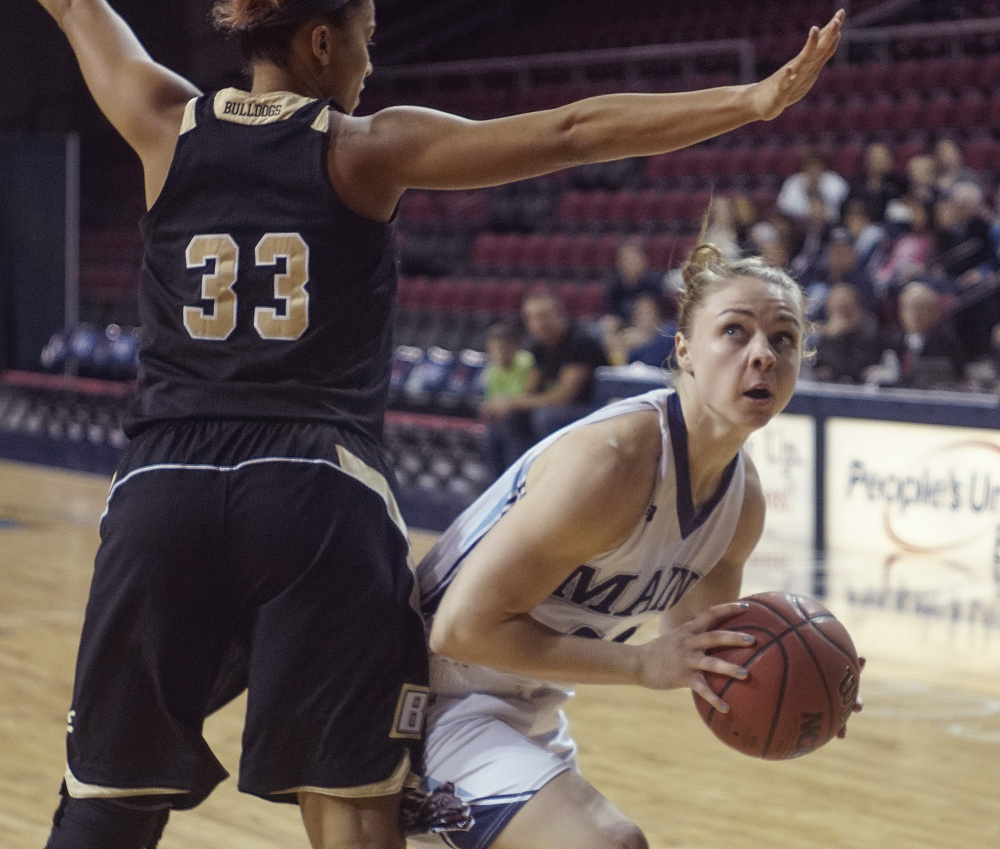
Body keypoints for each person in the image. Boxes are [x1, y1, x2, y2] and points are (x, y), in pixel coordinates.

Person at [34, 1, 846, 846]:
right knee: (350, 803)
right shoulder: (363, 146)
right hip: (318, 488)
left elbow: (78, 7)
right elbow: (572, 131)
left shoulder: (162, 119)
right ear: (322, 41)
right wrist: (749, 102)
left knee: (109, 796)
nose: (368, 66)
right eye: (364, 42)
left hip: (166, 486)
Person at [413, 240, 864, 849]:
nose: (762, 355)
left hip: (525, 706)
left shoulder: (740, 506)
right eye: (734, 332)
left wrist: (818, 689)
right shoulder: (614, 461)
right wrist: (640, 664)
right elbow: (458, 631)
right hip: (420, 698)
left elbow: (705, 661)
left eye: (783, 339)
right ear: (684, 351)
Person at [481, 289, 609, 479]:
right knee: (508, 419)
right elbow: (529, 392)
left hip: (593, 409)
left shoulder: (580, 341)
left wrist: (512, 402)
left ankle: (552, 479)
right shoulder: (538, 347)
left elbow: (564, 397)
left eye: (543, 316)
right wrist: (506, 405)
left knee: (545, 417)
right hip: (557, 409)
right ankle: (507, 484)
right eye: (531, 318)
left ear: (558, 314)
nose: (538, 323)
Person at [810, 282, 884, 383]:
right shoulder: (824, 337)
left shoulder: (869, 332)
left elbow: (851, 369)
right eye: (838, 309)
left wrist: (837, 337)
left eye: (846, 308)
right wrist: (831, 336)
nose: (843, 314)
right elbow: (820, 369)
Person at [481, 320, 535, 404]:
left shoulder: (526, 362)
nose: (498, 355)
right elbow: (492, 400)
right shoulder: (491, 372)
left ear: (515, 348)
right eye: (493, 351)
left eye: (503, 350)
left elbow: (527, 395)